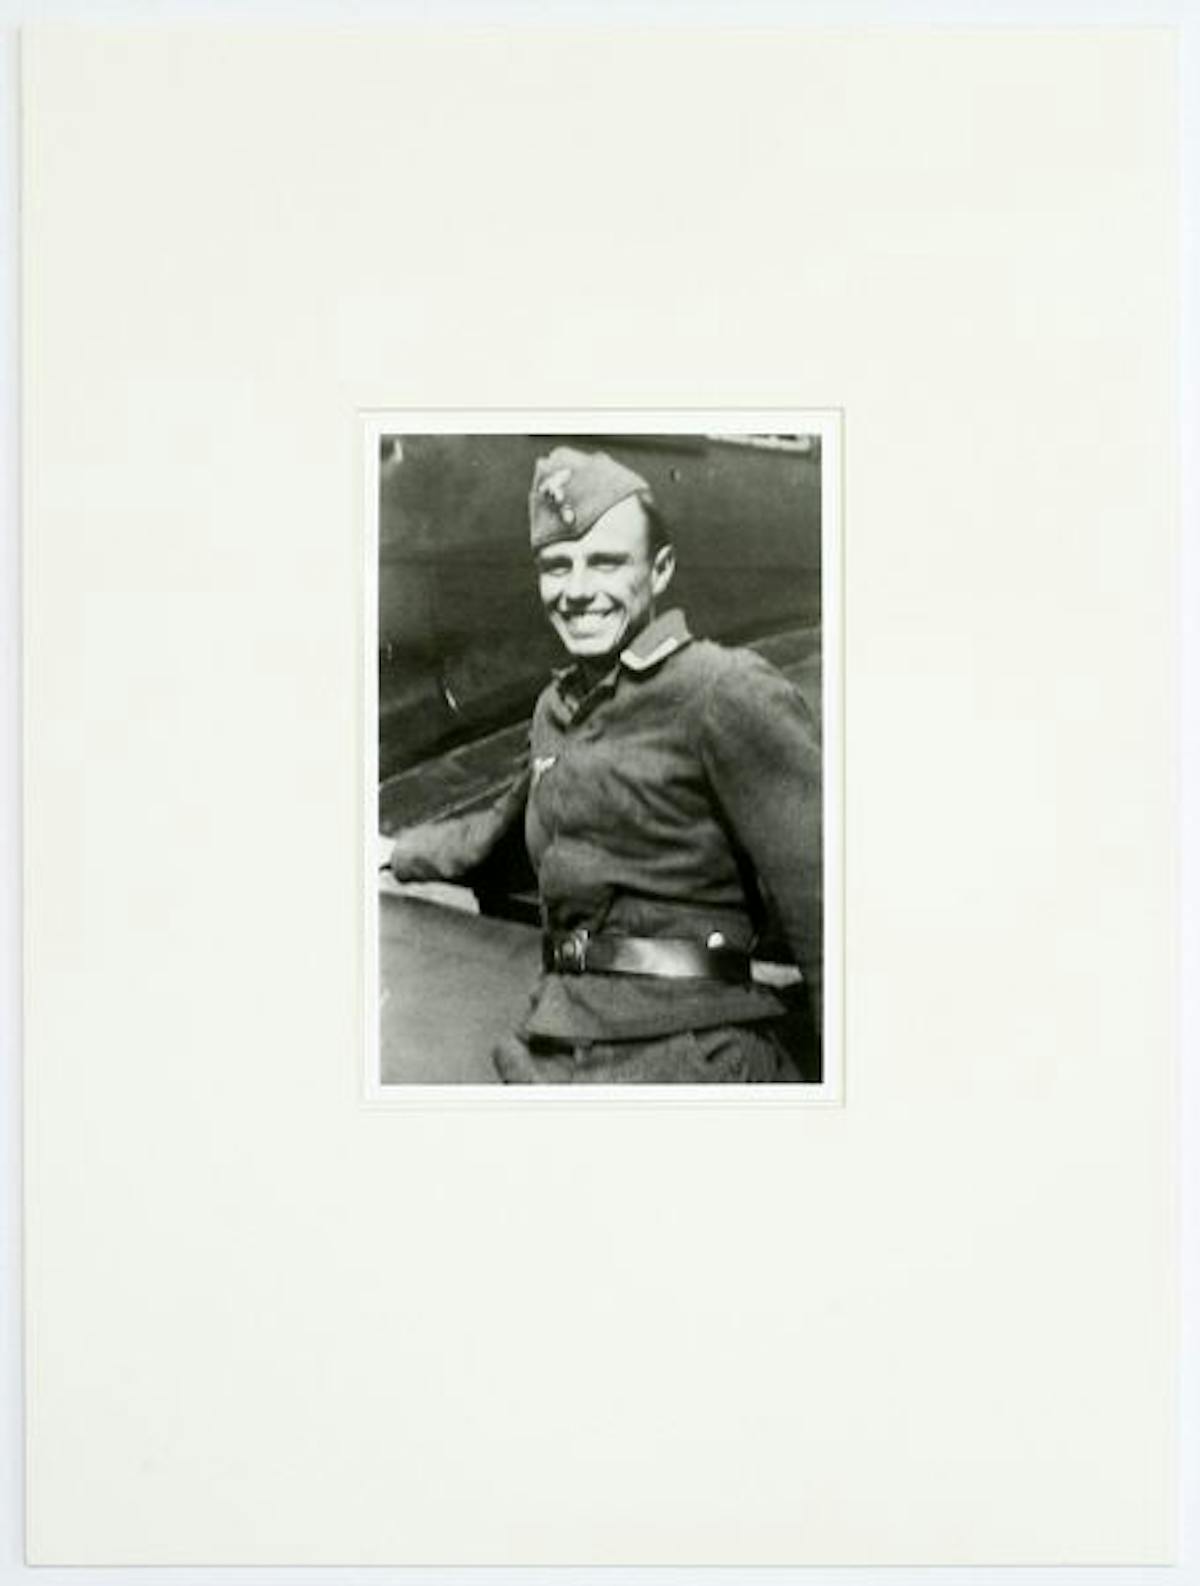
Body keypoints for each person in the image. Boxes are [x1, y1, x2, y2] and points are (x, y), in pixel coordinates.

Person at [381, 445, 822, 1084]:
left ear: (660, 570)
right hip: (558, 1036)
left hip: (694, 1048)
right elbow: (510, 826)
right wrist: (397, 853)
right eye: (556, 567)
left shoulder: (723, 690)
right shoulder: (557, 707)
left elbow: (825, 901)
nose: (577, 591)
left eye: (606, 563)